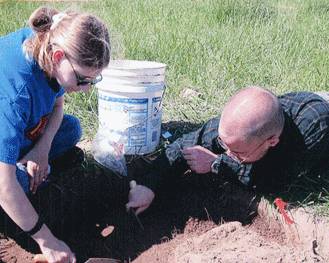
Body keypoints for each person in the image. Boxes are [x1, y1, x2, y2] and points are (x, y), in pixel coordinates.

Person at [0, 6, 110, 263]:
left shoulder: (47, 42)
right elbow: (4, 186)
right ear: (59, 56)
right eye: (83, 80)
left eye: (92, 82)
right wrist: (47, 241)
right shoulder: (16, 93)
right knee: (16, 182)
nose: (85, 90)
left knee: (71, 129)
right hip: (7, 121)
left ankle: (20, 159)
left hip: (15, 126)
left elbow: (57, 106)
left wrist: (42, 149)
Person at [126, 87, 329, 215]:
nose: (229, 153)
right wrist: (149, 185)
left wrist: (218, 164)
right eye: (225, 146)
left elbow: (274, 181)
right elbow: (185, 145)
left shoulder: (312, 130)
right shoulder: (240, 125)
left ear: (272, 141)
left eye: (239, 152)